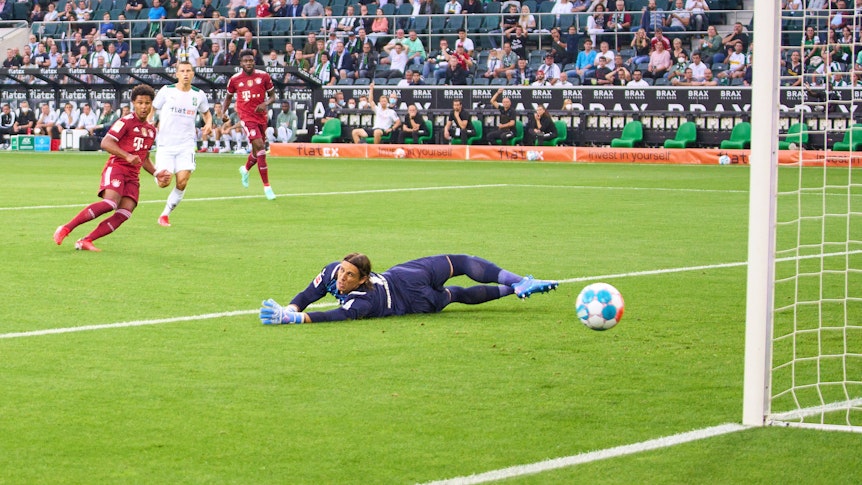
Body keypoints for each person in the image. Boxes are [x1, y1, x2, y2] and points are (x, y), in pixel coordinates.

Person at [258, 253, 560, 324]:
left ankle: (518, 282)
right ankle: (516, 288)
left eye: (350, 275)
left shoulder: (364, 300)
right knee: (458, 290)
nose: (341, 279)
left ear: (363, 279)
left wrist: (297, 319)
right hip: (409, 285)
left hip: (411, 290)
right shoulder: (331, 272)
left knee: (460, 267)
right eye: (342, 272)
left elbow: (333, 316)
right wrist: (291, 308)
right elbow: (308, 295)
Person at [53, 85, 164, 252]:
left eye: (147, 103)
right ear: (133, 103)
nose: (143, 106)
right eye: (140, 103)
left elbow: (144, 157)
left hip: (133, 176)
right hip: (117, 168)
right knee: (110, 203)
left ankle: (86, 240)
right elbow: (106, 142)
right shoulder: (125, 122)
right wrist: (127, 156)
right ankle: (65, 228)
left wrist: (156, 173)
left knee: (125, 212)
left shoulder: (151, 130)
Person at [151, 61, 213, 227]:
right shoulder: (167, 90)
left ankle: (165, 215)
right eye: (182, 71)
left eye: (188, 71)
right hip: (165, 144)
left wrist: (208, 124)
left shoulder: (198, 94)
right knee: (164, 183)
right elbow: (152, 109)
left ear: (193, 74)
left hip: (186, 145)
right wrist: (148, 124)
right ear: (177, 74)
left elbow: (207, 113)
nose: (186, 74)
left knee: (182, 181)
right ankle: (157, 174)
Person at [223, 49, 277, 200]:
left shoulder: (264, 76)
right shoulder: (234, 79)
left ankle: (245, 169)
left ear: (254, 61)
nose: (248, 63)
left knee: (256, 151)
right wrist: (223, 112)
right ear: (241, 63)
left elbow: (273, 96)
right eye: (245, 61)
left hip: (261, 117)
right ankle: (267, 187)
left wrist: (265, 103)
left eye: (250, 60)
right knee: (260, 147)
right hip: (247, 117)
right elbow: (228, 97)